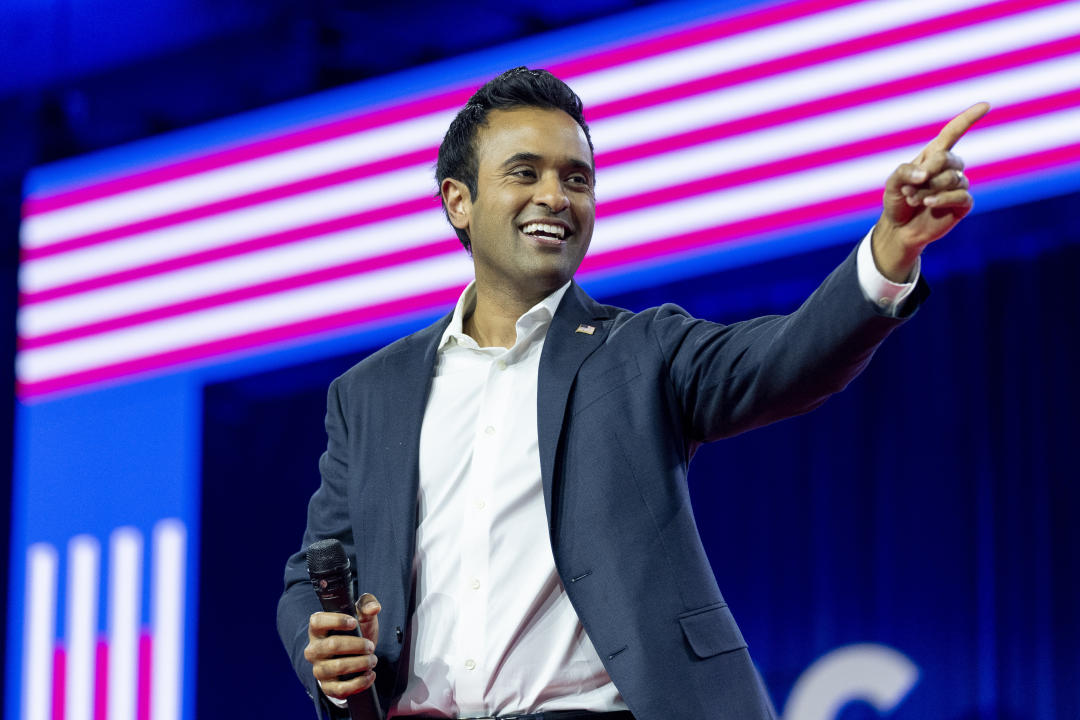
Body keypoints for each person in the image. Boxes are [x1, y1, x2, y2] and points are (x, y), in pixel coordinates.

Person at [277, 67, 987, 720]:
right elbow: (312, 574)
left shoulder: (642, 350)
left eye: (577, 179)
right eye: (525, 172)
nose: (556, 196)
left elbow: (786, 362)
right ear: (457, 201)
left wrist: (890, 252)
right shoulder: (369, 393)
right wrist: (326, 652)